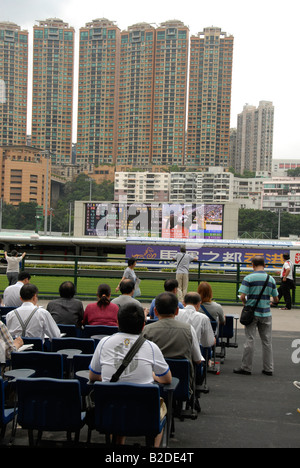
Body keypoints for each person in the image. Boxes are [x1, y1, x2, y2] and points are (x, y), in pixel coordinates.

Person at [89, 302, 172, 447]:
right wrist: (153, 376)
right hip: (143, 413)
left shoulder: (103, 343)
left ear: (117, 322)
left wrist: (112, 380)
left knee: (119, 401)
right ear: (142, 326)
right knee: (162, 409)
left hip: (111, 410)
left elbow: (93, 376)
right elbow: (166, 378)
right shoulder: (151, 348)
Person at [143, 292, 204, 388]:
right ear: (177, 311)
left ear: (155, 311)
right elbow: (197, 359)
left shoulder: (147, 330)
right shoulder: (189, 329)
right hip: (183, 384)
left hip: (153, 384)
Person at [234, 256, 279, 376]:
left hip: (252, 314)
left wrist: (245, 304)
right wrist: (270, 302)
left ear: (253, 265)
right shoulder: (271, 279)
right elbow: (276, 299)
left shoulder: (249, 278)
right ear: (264, 265)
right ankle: (268, 368)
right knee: (267, 342)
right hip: (266, 313)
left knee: (250, 340)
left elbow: (243, 296)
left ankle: (246, 367)